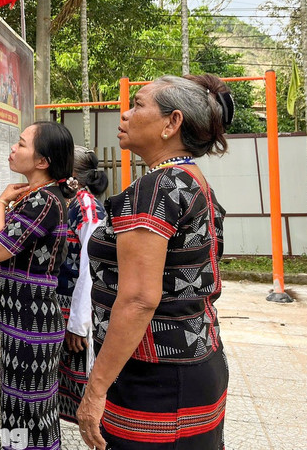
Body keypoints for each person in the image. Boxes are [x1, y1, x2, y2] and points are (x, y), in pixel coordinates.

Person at [77, 74, 234, 450]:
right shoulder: (191, 180)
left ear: (172, 122)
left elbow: (138, 299)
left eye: (139, 104)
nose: (126, 115)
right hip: (195, 362)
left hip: (156, 378)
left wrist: (95, 390)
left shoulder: (155, 189)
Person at [0, 121, 75, 450]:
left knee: (32, 415)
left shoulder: (44, 202)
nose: (13, 149)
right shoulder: (32, 197)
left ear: (42, 161)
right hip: (21, 322)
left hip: (33, 325)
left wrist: (1, 203)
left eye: (21, 144)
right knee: (18, 411)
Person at [57, 146, 108, 423]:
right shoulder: (70, 202)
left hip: (74, 313)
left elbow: (91, 269)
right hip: (62, 308)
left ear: (73, 174)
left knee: (85, 406)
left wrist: (78, 324)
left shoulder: (87, 209)